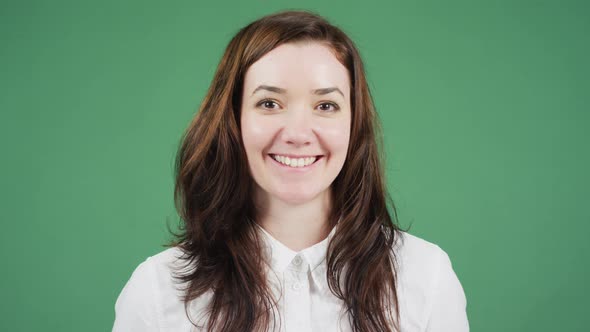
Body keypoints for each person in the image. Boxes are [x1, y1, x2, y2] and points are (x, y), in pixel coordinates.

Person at [112, 9, 469, 332]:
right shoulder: (157, 294)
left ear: (353, 124)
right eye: (269, 103)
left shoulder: (427, 277)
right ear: (232, 121)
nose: (298, 134)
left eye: (326, 105)